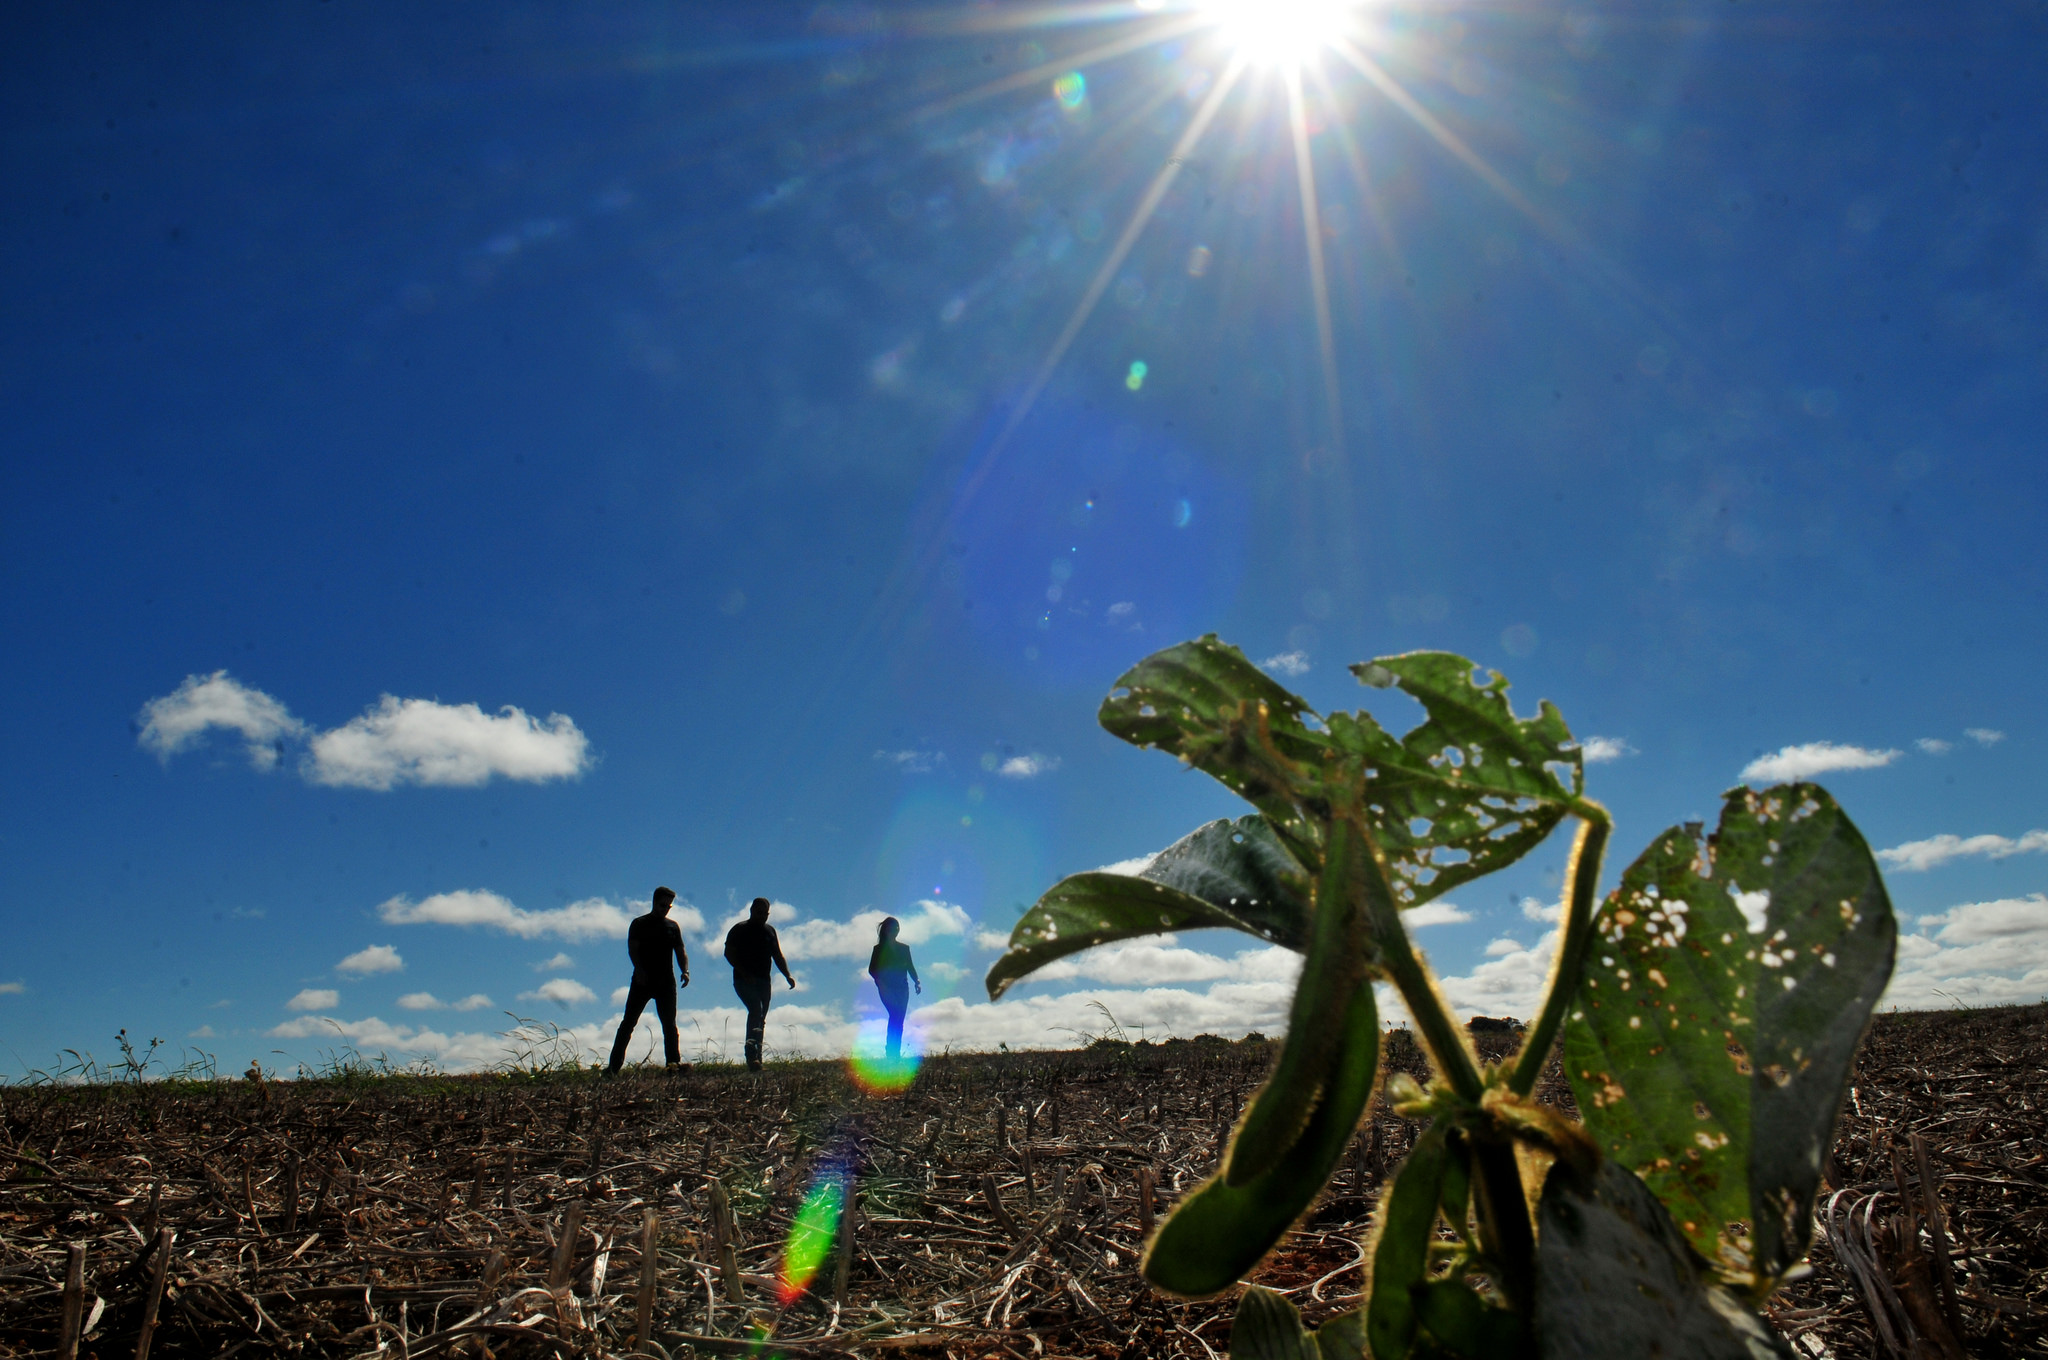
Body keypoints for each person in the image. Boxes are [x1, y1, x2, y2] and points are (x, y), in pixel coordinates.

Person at [606, 886, 691, 1074]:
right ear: (654, 902)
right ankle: (613, 1068)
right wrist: (639, 970)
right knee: (628, 1023)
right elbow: (632, 949)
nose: (665, 909)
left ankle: (673, 1066)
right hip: (642, 982)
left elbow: (680, 951)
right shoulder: (639, 923)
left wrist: (685, 971)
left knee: (670, 1025)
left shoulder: (672, 927)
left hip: (666, 983)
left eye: (669, 906)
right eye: (662, 905)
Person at [723, 896, 793, 1071]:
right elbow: (728, 954)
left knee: (761, 1017)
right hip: (743, 981)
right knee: (755, 1010)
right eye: (758, 912)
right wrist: (744, 973)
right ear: (751, 911)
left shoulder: (770, 931)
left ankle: (757, 1059)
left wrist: (787, 975)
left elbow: (778, 955)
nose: (762, 916)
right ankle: (751, 1055)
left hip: (764, 981)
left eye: (765, 913)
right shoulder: (739, 930)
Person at [867, 916, 921, 1062]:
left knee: (898, 1019)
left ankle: (894, 1052)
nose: (895, 930)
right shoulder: (878, 950)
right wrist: (880, 982)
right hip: (886, 988)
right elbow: (872, 969)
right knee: (895, 1014)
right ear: (886, 930)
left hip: (903, 987)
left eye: (897, 927)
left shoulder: (904, 948)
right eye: (892, 927)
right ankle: (891, 1051)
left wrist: (917, 981)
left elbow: (910, 966)